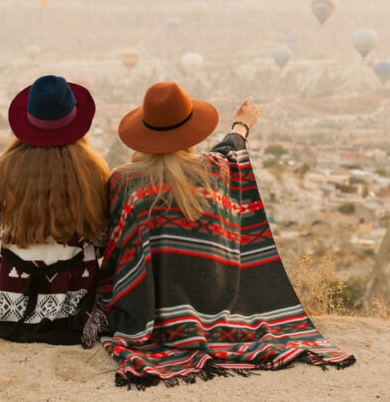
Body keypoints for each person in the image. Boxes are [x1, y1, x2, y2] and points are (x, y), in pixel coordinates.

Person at [84, 82, 355, 387]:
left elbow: (117, 250)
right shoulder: (216, 171)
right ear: (190, 132)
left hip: (146, 311)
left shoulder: (125, 182)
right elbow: (230, 150)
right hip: (215, 302)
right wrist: (242, 124)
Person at [0, 75, 109, 345]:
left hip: (12, 292)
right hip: (74, 293)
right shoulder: (93, 172)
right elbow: (102, 238)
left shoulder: (3, 170)